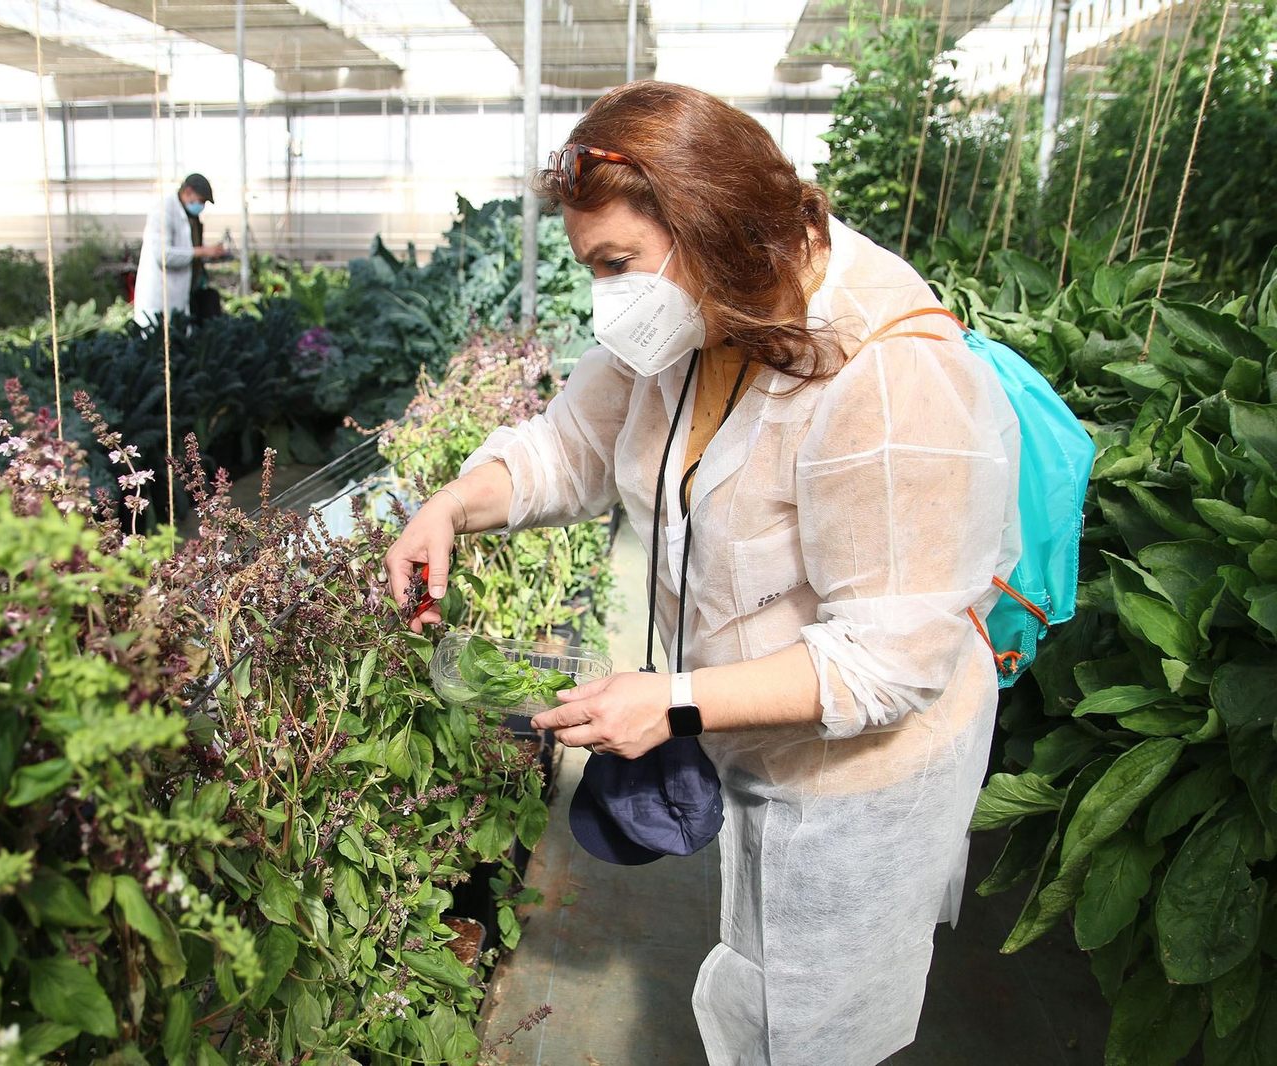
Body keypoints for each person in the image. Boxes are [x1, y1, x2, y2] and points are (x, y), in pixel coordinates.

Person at [384, 82, 1020, 1066]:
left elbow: (889, 662)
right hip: (753, 733)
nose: (608, 297)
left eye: (616, 264)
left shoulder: (890, 375)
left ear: (710, 222)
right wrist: (452, 506)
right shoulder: (693, 317)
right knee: (756, 989)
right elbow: (571, 447)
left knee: (807, 1027)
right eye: (590, 269)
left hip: (856, 781)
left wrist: (676, 703)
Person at [134, 173, 223, 328]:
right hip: (159, 298)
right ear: (188, 191)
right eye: (201, 200)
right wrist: (201, 252)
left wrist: (207, 253)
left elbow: (185, 246)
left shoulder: (189, 217)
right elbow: (163, 255)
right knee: (158, 337)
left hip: (179, 297)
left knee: (178, 334)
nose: (201, 206)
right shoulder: (163, 211)